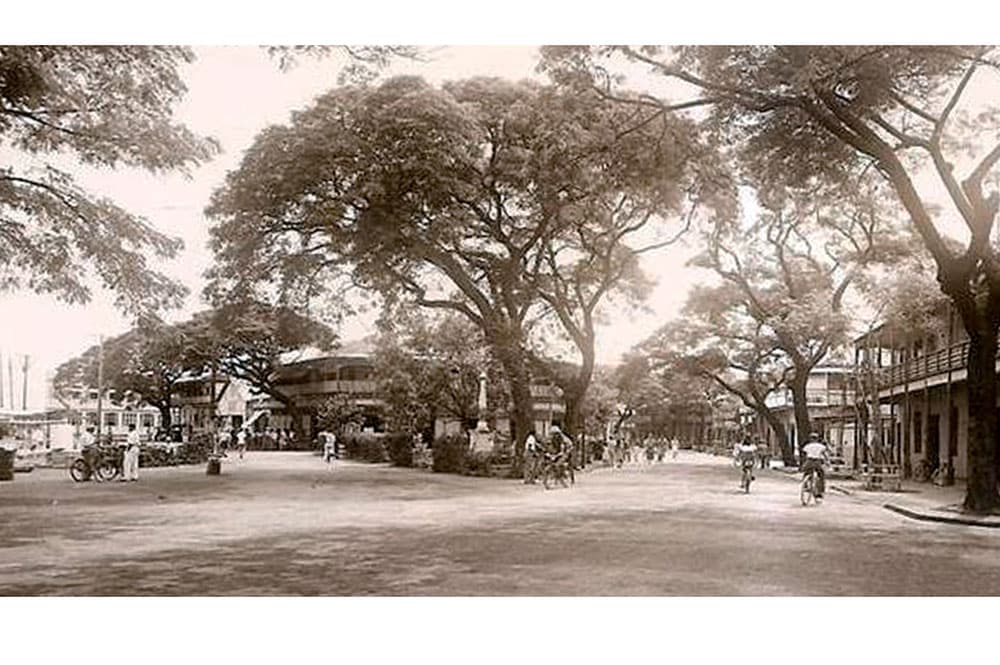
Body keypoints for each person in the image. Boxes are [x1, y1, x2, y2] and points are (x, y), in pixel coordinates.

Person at [801, 432, 829, 498]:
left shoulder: (807, 446)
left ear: (810, 439)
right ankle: (820, 491)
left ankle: (805, 484)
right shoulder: (821, 446)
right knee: (821, 474)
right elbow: (825, 454)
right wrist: (827, 461)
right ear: (817, 439)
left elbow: (804, 454)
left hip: (809, 461)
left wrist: (803, 463)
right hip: (817, 462)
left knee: (806, 472)